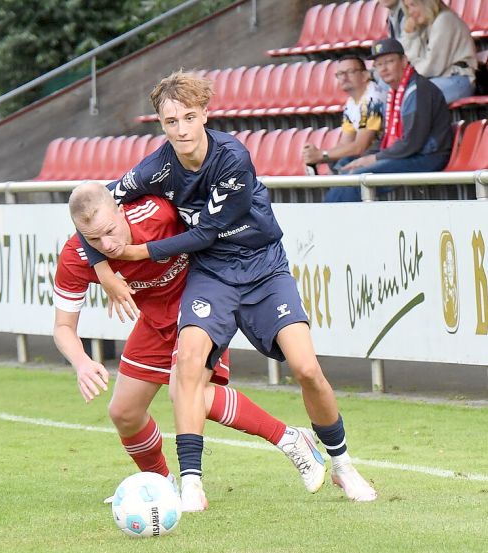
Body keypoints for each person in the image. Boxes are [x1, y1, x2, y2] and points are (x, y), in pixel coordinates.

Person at [77, 70, 377, 509]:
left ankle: (343, 466)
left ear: (205, 115)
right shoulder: (158, 165)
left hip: (263, 269)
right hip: (212, 274)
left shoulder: (233, 157)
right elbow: (91, 208)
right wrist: (102, 267)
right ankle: (192, 483)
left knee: (307, 369)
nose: (179, 130)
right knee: (189, 365)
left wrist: (138, 254)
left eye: (187, 118)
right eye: (169, 122)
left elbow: (209, 231)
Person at [55, 184, 326, 512]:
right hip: (155, 320)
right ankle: (162, 485)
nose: (107, 245)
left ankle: (289, 438)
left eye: (110, 232)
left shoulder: (158, 211)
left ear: (121, 209)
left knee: (185, 392)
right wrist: (81, 362)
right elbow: (63, 328)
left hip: (202, 305)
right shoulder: (76, 257)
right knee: (124, 412)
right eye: (94, 240)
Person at [333, 38, 453, 202]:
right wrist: (365, 157)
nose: (384, 69)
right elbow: (389, 138)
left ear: (404, 61)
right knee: (345, 167)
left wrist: (372, 158)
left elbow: (411, 143)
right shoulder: (396, 91)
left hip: (427, 156)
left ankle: (324, 224)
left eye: (389, 61)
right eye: (379, 64)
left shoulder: (417, 90)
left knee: (357, 178)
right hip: (409, 154)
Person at [302, 55, 385, 174]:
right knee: (334, 162)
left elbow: (360, 146)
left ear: (365, 75)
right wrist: (319, 157)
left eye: (350, 72)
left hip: (385, 151)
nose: (344, 77)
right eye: (340, 74)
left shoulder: (373, 99)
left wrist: (321, 155)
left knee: (344, 167)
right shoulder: (351, 102)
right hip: (371, 151)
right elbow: (345, 143)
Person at [400, 0, 477, 104]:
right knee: (401, 93)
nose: (410, 12)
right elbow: (406, 58)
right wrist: (411, 35)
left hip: (457, 80)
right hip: (439, 79)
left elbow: (432, 67)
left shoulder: (444, 20)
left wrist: (406, 72)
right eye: (407, 7)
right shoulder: (425, 26)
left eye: (413, 5)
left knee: (414, 96)